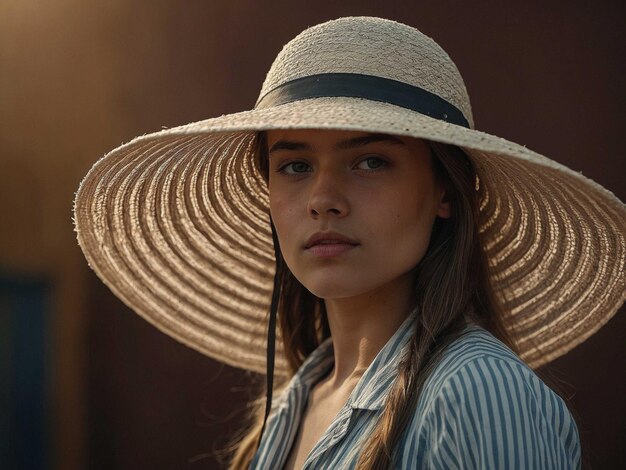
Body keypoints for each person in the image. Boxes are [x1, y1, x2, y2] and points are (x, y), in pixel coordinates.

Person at [74, 17, 625, 469]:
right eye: (293, 165)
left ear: (445, 193)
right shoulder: (292, 408)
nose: (323, 199)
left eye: (371, 161)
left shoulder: (476, 392)